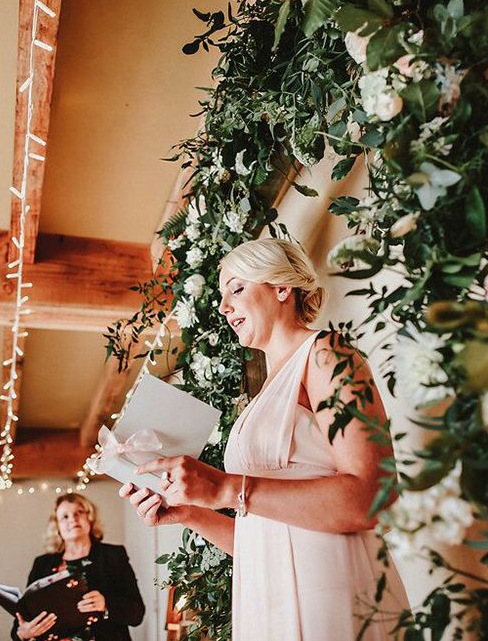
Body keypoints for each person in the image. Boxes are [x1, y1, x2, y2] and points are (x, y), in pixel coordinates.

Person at [120, 238, 408, 640]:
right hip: (266, 600)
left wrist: (223, 487)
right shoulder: (261, 398)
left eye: (236, 288)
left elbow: (373, 497)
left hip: (329, 594)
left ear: (282, 288)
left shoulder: (327, 354)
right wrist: (190, 512)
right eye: (222, 295)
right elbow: (263, 536)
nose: (223, 306)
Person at [12, 492, 145, 641]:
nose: (73, 519)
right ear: (57, 527)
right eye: (65, 517)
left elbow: (137, 613)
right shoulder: (42, 564)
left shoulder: (113, 556)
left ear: (90, 518)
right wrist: (23, 634)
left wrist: (105, 604)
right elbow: (20, 621)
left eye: (79, 512)